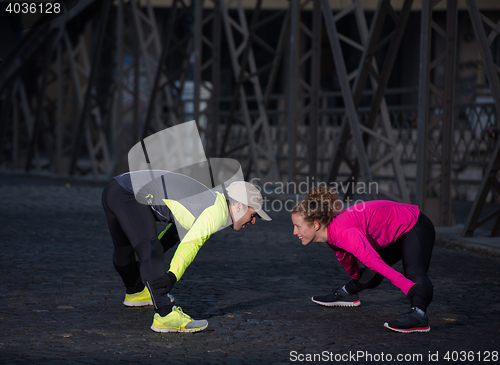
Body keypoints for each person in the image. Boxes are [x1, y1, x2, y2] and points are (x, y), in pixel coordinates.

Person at [101, 169, 271, 333]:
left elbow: (175, 234)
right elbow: (191, 244)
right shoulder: (216, 212)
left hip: (114, 189)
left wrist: (151, 266)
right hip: (127, 193)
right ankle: (165, 315)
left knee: (124, 249)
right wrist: (171, 276)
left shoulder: (209, 200)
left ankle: (135, 292)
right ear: (239, 205)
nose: (253, 221)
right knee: (150, 247)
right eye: (253, 215)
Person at [291, 186, 435, 333]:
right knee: (369, 274)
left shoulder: (344, 232)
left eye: (297, 226)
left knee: (413, 272)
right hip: (394, 232)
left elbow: (372, 260)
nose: (294, 232)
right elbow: (345, 257)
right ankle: (348, 293)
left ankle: (419, 314)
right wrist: (356, 277)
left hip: (415, 224)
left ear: (315, 225)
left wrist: (407, 286)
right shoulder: (331, 233)